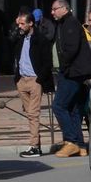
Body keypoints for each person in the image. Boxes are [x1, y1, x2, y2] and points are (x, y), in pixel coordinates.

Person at [47, 0, 91, 157]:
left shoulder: (70, 23)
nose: (52, 12)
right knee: (74, 109)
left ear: (64, 8)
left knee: (59, 106)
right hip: (76, 72)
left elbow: (71, 49)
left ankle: (71, 141)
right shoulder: (64, 24)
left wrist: (64, 67)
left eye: (54, 9)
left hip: (73, 73)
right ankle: (80, 146)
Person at [10, 9, 56, 158]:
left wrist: (39, 79)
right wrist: (17, 79)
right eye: (19, 24)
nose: (20, 26)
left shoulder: (41, 39)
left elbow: (47, 62)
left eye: (22, 24)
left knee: (33, 114)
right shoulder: (20, 38)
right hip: (22, 80)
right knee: (29, 114)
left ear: (31, 23)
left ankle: (34, 146)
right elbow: (10, 43)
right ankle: (36, 145)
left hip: (35, 80)